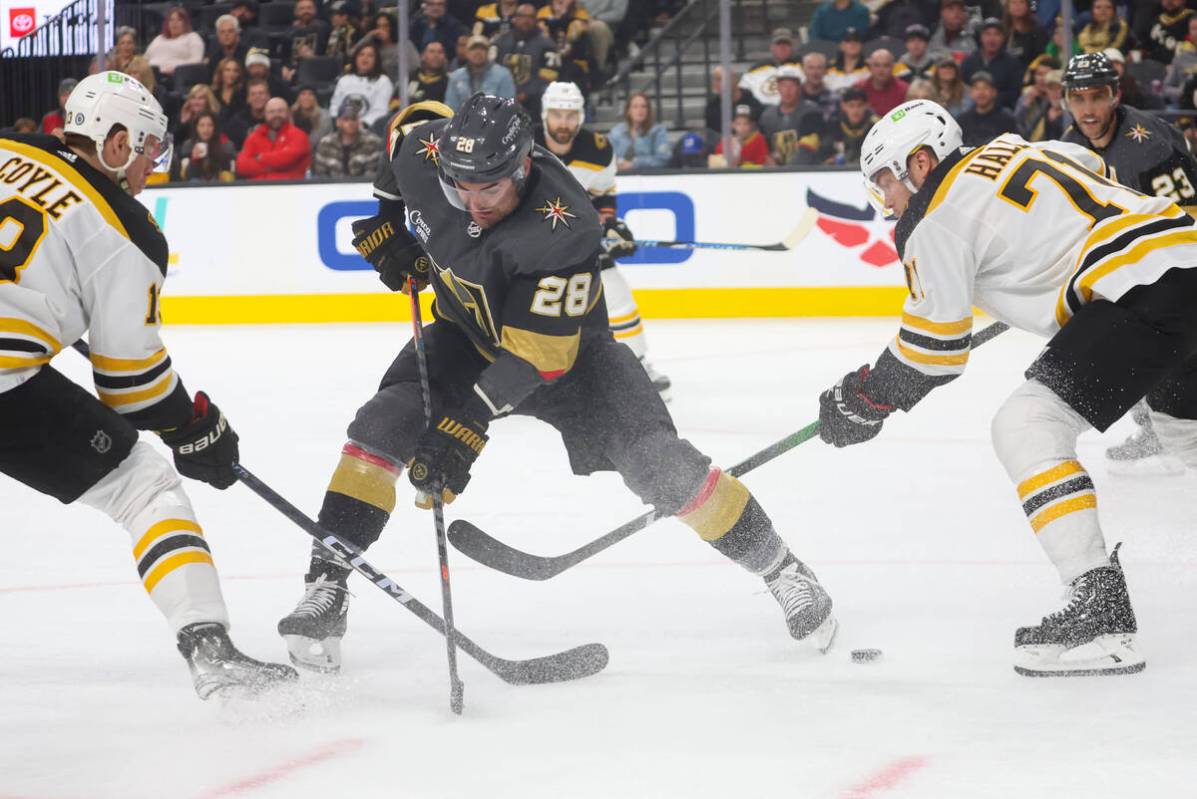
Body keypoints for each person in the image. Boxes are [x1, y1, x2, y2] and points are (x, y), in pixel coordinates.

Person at [275, 94, 837, 672]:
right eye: (457, 188)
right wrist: (388, 221)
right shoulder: (427, 151)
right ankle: (328, 583)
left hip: (571, 358)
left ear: (520, 169)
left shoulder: (564, 225)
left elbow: (537, 356)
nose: (472, 204)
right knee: (380, 425)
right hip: (466, 335)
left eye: (488, 190)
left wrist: (463, 426)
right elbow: (405, 130)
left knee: (661, 464)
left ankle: (781, 568)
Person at [821, 98, 1197, 676]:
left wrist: (864, 399)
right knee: (1183, 431)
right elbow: (1089, 168)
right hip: (1184, 253)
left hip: (1139, 293)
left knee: (1026, 427)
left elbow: (934, 351)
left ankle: (1102, 614)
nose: (886, 202)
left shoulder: (932, 218)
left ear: (921, 162)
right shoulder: (1014, 146)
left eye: (885, 182)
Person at [0, 72, 296, 698]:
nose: (148, 169)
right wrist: (194, 426)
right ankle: (210, 652)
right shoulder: (127, 228)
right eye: (147, 149)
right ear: (114, 142)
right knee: (144, 486)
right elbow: (131, 385)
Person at [1060, 52, 1197, 473]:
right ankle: (1154, 428)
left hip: (1177, 261)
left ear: (1115, 95)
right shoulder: (1068, 147)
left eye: (1097, 96)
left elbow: (1188, 221)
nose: (1088, 109)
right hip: (1133, 269)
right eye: (1077, 97)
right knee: (1125, 350)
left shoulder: (1149, 143)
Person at [535, 81, 672, 397]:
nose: (564, 123)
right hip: (530, 244)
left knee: (617, 294)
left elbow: (603, 194)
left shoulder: (597, 150)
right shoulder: (523, 144)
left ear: (580, 116)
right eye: (557, 114)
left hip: (580, 239)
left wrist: (609, 224)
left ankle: (637, 366)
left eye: (570, 115)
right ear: (545, 115)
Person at [492, 3, 561, 118]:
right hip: (503, 94)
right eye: (522, 16)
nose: (526, 20)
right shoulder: (500, 42)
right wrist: (508, 92)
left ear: (536, 20)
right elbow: (493, 71)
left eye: (530, 17)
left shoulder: (548, 45)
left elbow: (550, 75)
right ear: (515, 19)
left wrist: (526, 93)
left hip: (534, 98)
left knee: (547, 91)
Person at [760, 65, 828, 165]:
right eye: (783, 85)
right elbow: (764, 148)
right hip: (777, 174)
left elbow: (816, 147)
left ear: (799, 88)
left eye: (792, 85)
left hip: (807, 171)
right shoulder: (767, 116)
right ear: (778, 87)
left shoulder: (812, 112)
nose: (787, 90)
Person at [236, 96, 311, 179]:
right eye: (271, 112)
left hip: (289, 189)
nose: (276, 115)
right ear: (265, 114)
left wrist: (260, 157)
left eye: (280, 111)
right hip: (256, 189)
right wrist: (274, 166)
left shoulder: (299, 135)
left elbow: (286, 160)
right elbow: (241, 166)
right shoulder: (254, 137)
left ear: (288, 113)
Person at [962, 18, 1024, 110]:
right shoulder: (969, 62)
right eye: (987, 34)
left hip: (1001, 109)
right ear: (981, 37)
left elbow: (1014, 93)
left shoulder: (1012, 63)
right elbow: (962, 88)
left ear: (1003, 38)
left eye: (996, 34)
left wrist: (989, 98)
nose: (992, 39)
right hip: (972, 108)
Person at [329, 43, 396, 128]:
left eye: (370, 55)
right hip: (342, 128)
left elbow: (380, 110)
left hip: (369, 129)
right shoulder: (344, 80)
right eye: (361, 54)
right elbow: (335, 105)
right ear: (355, 58)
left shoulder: (383, 81)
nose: (365, 58)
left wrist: (361, 125)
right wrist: (339, 123)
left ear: (376, 60)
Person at [444, 35, 517, 110]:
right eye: (473, 49)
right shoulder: (455, 77)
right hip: (462, 120)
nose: (478, 52)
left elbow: (508, 107)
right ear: (467, 53)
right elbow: (450, 108)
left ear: (488, 52)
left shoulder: (503, 74)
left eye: (482, 49)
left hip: (494, 120)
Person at [314, 101, 384, 177]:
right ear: (338, 122)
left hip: (363, 187)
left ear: (358, 121)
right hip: (331, 187)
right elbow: (320, 175)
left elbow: (373, 175)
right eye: (346, 119)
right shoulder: (326, 143)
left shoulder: (372, 142)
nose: (350, 123)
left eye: (353, 119)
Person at [608, 92, 672, 170]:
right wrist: (618, 163)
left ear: (648, 110)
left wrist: (634, 164)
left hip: (649, 177)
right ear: (628, 111)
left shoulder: (658, 131)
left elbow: (663, 159)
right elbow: (607, 157)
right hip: (620, 177)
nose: (640, 110)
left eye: (644, 106)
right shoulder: (616, 131)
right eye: (635, 107)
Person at [739, 27, 801, 105]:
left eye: (786, 44)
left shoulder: (803, 67)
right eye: (778, 44)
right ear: (771, 47)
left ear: (792, 47)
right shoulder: (756, 69)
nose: (782, 48)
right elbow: (742, 93)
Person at [958, 71, 1019, 144]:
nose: (981, 92)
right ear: (971, 93)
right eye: (977, 88)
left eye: (985, 88)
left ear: (994, 92)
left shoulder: (1007, 119)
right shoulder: (962, 120)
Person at [175, 110, 236, 182]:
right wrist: (194, 160)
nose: (206, 129)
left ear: (215, 127)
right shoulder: (189, 145)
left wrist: (217, 153)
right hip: (196, 186)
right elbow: (186, 176)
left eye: (210, 125)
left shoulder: (225, 144)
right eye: (202, 125)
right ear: (196, 127)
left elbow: (228, 171)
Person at [145, 6, 204, 77]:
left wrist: (177, 69)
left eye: (179, 20)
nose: (174, 23)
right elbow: (145, 58)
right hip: (150, 74)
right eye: (171, 20)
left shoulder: (192, 37)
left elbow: (196, 60)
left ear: (185, 23)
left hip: (175, 76)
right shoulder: (159, 38)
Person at [824, 86, 876, 165]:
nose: (855, 111)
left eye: (860, 105)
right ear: (843, 106)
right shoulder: (834, 127)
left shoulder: (875, 127)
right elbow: (824, 154)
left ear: (867, 106)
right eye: (851, 105)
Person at [705, 66, 764, 135]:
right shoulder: (712, 108)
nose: (721, 83)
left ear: (736, 80)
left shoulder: (752, 102)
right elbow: (713, 136)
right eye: (717, 80)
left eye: (725, 79)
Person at [1015, 62, 1066, 140]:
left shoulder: (1071, 113)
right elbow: (1027, 132)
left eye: (1059, 88)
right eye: (1051, 88)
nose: (1055, 93)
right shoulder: (1045, 108)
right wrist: (1025, 105)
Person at [855, 49, 910, 116]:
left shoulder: (905, 90)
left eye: (886, 65)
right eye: (876, 65)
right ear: (870, 67)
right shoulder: (858, 88)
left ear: (893, 67)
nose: (881, 70)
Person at [1142, 0, 1192, 65]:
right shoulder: (1155, 20)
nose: (1169, 1)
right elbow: (1145, 46)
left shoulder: (1192, 19)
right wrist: (1140, 52)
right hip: (1154, 66)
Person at [1003, 0, 1049, 71]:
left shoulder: (1037, 29)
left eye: (1021, 2)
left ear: (1027, 6)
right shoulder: (1003, 29)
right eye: (1014, 2)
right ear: (1008, 6)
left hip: (1029, 73)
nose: (1018, 6)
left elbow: (1041, 57)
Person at [291, 84, 334, 157]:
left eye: (310, 94)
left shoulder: (325, 117)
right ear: (298, 97)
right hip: (293, 155)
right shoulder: (290, 115)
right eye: (303, 94)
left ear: (315, 98)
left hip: (317, 156)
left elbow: (328, 142)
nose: (306, 97)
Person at [226, 76, 270, 147]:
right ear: (248, 99)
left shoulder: (275, 119)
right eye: (253, 94)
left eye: (261, 93)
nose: (257, 97)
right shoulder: (237, 122)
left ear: (268, 96)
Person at [287, 0, 331, 67]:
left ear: (315, 10)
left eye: (309, 8)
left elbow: (331, 58)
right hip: (294, 71)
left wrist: (313, 58)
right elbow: (284, 57)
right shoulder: (290, 33)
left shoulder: (324, 29)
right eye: (302, 9)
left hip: (318, 69)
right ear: (296, 12)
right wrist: (284, 67)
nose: (306, 11)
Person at [825, 28, 869, 93]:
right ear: (841, 46)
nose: (853, 43)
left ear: (861, 45)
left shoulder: (870, 68)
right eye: (848, 40)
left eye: (856, 40)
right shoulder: (829, 69)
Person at [799, 52, 837, 120]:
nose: (815, 73)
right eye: (811, 68)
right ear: (803, 70)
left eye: (819, 68)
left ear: (825, 71)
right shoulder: (794, 97)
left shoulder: (834, 99)